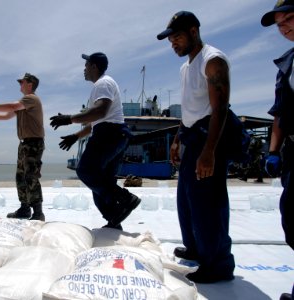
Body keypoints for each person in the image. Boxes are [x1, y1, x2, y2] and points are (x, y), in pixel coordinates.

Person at [157, 11, 235, 283]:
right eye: (170, 40)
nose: (173, 44)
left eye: (177, 37)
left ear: (193, 31)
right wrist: (178, 138)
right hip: (192, 135)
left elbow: (220, 108)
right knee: (187, 199)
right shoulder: (185, 67)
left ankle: (219, 264)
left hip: (210, 136)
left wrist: (209, 150)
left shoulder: (212, 60)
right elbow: (189, 109)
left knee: (208, 201)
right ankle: (196, 248)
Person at [49, 52, 140, 230]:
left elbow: (101, 112)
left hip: (109, 134)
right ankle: (114, 220)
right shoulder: (102, 85)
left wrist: (69, 119)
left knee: (86, 171)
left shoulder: (103, 83)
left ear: (94, 66)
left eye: (86, 65)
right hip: (114, 134)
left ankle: (126, 198)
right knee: (101, 182)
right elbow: (95, 122)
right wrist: (75, 136)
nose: (84, 69)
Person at [0, 73, 45, 221]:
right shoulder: (24, 102)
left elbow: (12, 106)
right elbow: (6, 115)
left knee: (31, 176)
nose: (20, 85)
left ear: (30, 84)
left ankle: (38, 212)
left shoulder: (31, 99)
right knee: (20, 177)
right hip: (25, 143)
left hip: (33, 143)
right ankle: (25, 208)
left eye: (22, 82)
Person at [261, 1, 294, 299]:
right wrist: (274, 151)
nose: (284, 26)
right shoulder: (287, 64)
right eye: (279, 23)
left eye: (291, 18)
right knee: (292, 218)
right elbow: (280, 114)